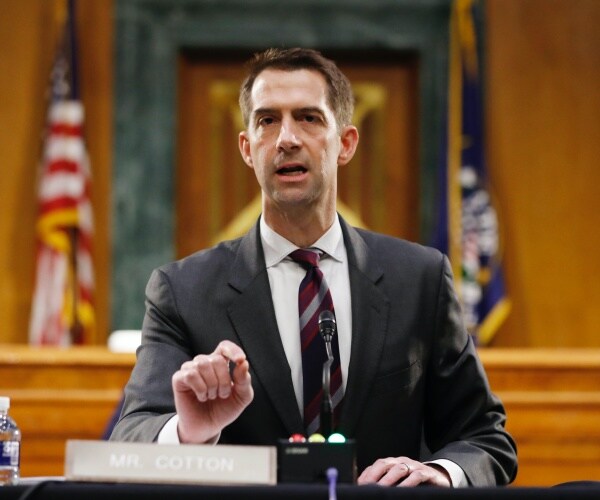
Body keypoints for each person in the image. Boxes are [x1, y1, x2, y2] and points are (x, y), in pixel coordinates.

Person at [110, 47, 517, 487]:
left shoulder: (419, 280)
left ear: (346, 143)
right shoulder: (183, 291)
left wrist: (440, 472)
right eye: (267, 120)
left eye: (308, 118)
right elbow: (129, 441)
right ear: (247, 148)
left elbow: (485, 438)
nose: (286, 138)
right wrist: (190, 432)